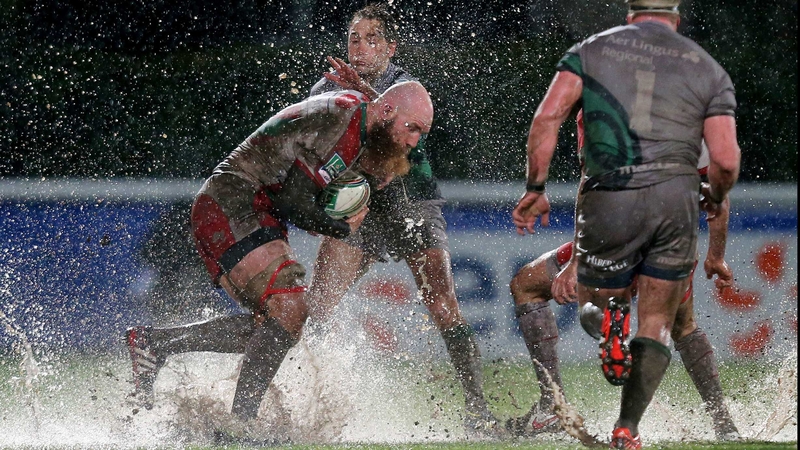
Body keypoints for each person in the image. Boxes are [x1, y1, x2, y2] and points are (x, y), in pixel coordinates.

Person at [125, 80, 434, 435]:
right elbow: (293, 202)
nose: (413, 141)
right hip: (234, 202)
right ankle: (239, 424)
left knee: (271, 325)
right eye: (411, 129)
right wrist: (342, 228)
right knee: (291, 310)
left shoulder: (358, 113)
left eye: (420, 134)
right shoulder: (346, 129)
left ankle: (156, 344)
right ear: (386, 110)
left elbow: (306, 174)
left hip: (242, 204)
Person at [511, 0, 741, 447]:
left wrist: (537, 191)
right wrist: (714, 253)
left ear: (631, 15)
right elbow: (724, 167)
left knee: (547, 290)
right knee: (676, 322)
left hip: (611, 208)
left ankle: (559, 392)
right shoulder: (704, 71)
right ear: (675, 19)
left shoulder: (595, 63)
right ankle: (658, 427)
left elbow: (553, 128)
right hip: (674, 212)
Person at [305, 3, 502, 438]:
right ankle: (303, 400)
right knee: (314, 310)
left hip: (412, 204)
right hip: (359, 207)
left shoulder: (405, 87)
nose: (360, 47)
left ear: (391, 48)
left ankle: (477, 411)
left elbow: (397, 150)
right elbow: (312, 149)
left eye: (372, 38)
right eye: (354, 38)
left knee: (442, 303)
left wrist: (364, 95)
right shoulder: (327, 89)